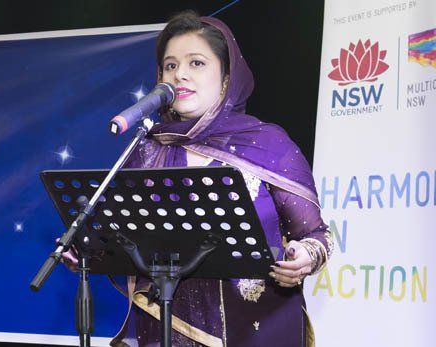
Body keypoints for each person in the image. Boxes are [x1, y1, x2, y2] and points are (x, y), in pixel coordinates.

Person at [64, 11, 332, 347]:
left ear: (226, 76)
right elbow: (116, 238)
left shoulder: (267, 143)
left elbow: (316, 234)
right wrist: (85, 248)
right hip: (164, 327)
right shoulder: (146, 150)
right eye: (171, 65)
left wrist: (306, 255)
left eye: (197, 63)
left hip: (254, 327)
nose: (181, 75)